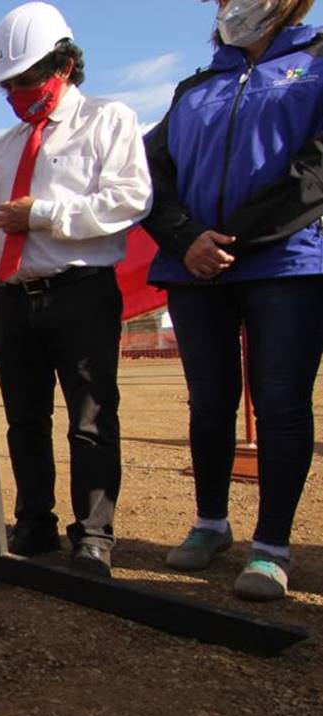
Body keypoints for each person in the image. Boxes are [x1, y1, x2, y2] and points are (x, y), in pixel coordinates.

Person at [144, 0, 323, 600]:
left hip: (286, 264)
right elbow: (151, 171)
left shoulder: (317, 63)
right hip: (195, 268)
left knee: (280, 403)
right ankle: (210, 523)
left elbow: (315, 169)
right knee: (210, 400)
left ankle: (271, 545)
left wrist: (233, 239)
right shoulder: (196, 86)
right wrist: (185, 237)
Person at [0, 2, 152, 577]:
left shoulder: (109, 120)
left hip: (81, 291)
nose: (17, 94)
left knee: (91, 419)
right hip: (15, 299)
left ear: (65, 65)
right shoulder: (3, 148)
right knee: (25, 419)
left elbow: (131, 199)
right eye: (9, 85)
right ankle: (34, 522)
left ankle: (94, 535)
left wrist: (47, 214)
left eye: (27, 80)